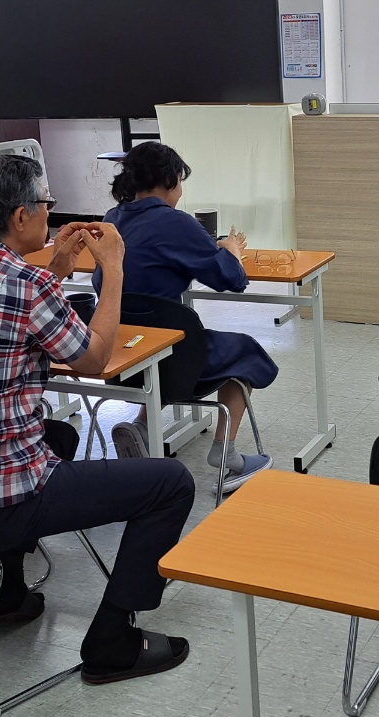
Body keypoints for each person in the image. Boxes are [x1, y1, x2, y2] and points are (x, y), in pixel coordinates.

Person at [0, 154, 194, 684]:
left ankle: (10, 593)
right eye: (46, 204)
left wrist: (55, 269)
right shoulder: (25, 285)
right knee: (171, 483)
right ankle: (113, 641)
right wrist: (114, 270)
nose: (50, 213)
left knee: (57, 433)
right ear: (21, 216)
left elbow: (3, 305)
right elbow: (95, 361)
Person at [94, 141, 274, 494]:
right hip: (173, 361)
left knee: (157, 339)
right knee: (245, 351)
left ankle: (142, 427)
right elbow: (230, 280)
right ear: (170, 180)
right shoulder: (176, 222)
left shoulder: (112, 219)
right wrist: (231, 251)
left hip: (119, 355)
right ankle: (227, 454)